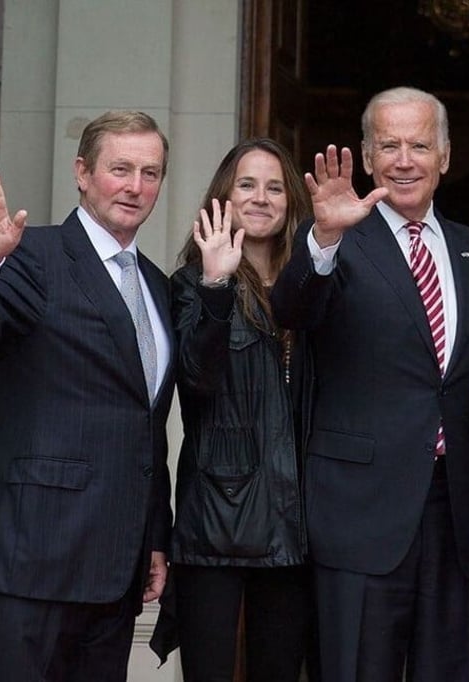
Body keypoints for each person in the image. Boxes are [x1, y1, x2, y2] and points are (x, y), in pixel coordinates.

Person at [0, 110, 176, 682]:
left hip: (116, 566)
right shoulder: (31, 255)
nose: (135, 186)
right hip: (29, 557)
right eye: (120, 169)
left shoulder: (158, 287)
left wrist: (154, 536)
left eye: (150, 172)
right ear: (82, 173)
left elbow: (146, 426)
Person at [271, 86, 469, 682]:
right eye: (390, 146)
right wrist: (323, 238)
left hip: (458, 516)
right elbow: (292, 309)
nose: (405, 160)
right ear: (368, 156)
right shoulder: (337, 238)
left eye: (420, 145)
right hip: (360, 515)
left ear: (446, 156)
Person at [167, 138, 315, 681]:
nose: (261, 197)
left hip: (296, 521)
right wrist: (216, 284)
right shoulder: (190, 283)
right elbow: (196, 382)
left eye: (275, 187)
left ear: (291, 200)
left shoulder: (312, 284)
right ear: (224, 197)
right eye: (247, 185)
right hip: (218, 517)